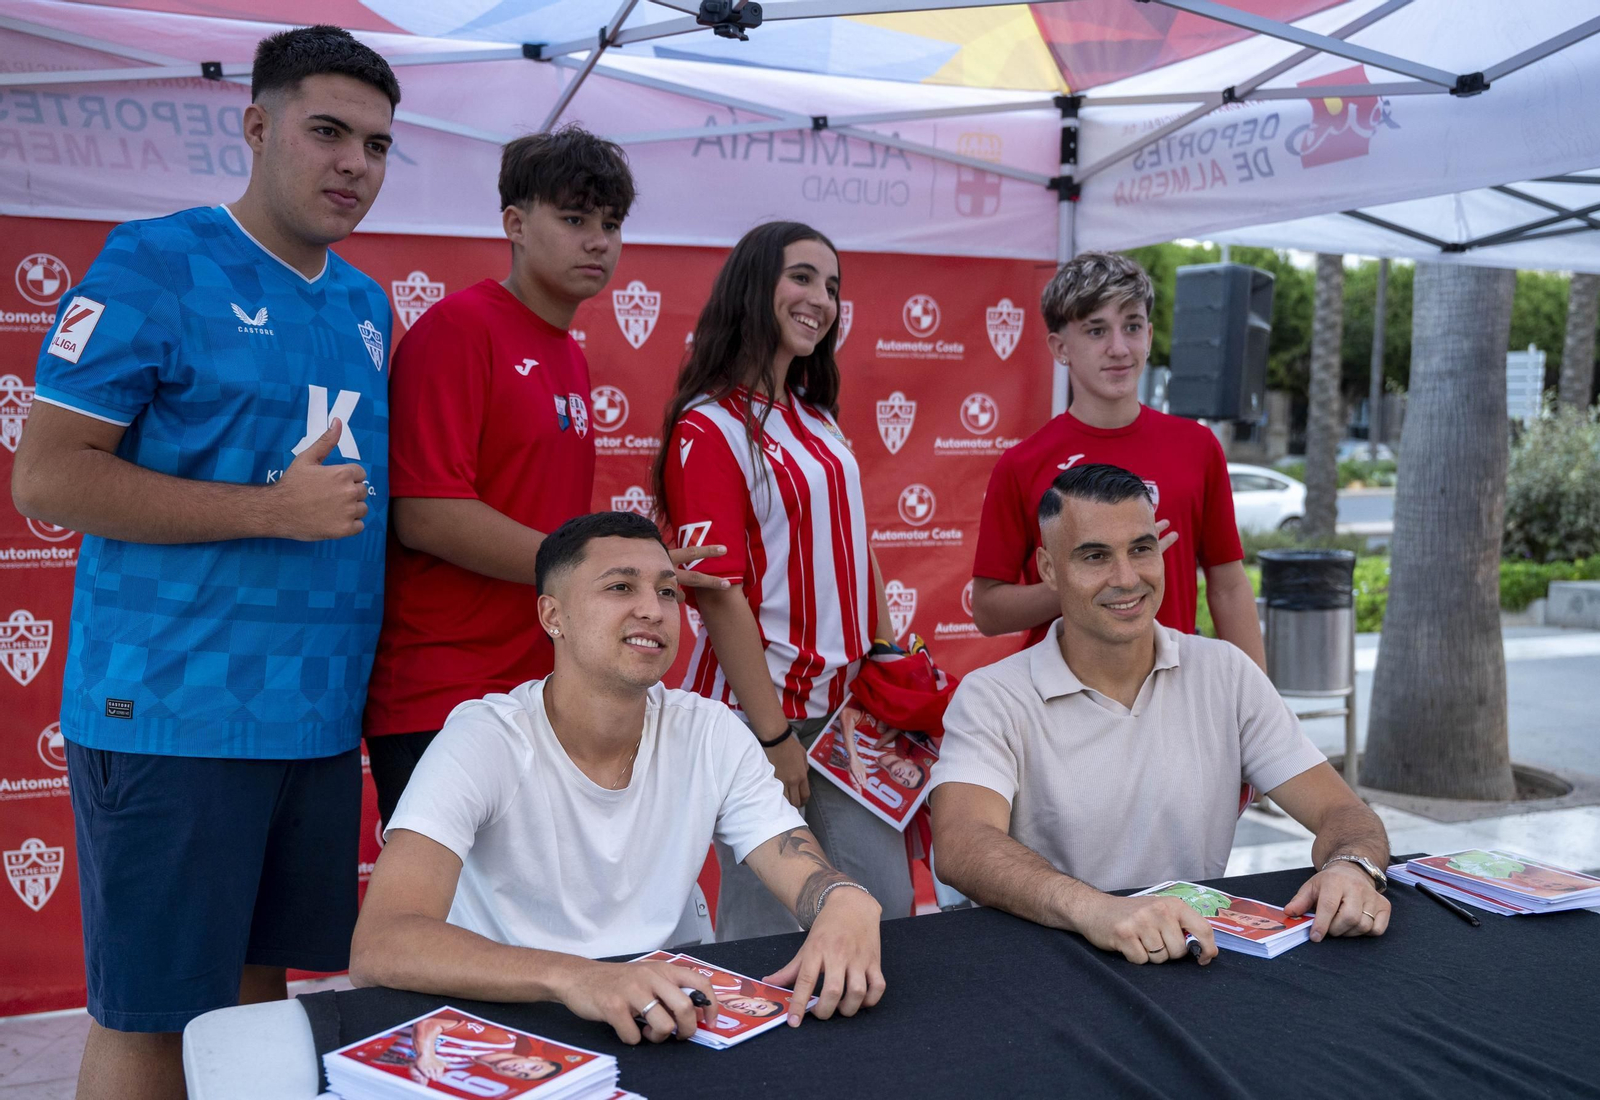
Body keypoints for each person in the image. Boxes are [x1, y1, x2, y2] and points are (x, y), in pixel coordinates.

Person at [9, 26, 399, 1100]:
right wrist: (271, 510)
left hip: (314, 723)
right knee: (150, 1017)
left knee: (255, 1014)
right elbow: (46, 477)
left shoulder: (368, 304)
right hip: (174, 714)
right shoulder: (155, 261)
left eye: (375, 145)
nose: (354, 164)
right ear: (258, 126)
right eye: (328, 132)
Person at [350, 513, 885, 1043]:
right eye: (620, 587)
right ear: (552, 615)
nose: (653, 609)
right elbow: (381, 944)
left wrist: (843, 899)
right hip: (518, 1027)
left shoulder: (709, 731)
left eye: (668, 591)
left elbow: (797, 867)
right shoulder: (484, 739)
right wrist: (580, 977)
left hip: (676, 1018)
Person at [362, 125, 727, 824]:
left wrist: (625, 571)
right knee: (451, 900)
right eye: (574, 219)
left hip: (542, 687)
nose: (598, 242)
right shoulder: (459, 328)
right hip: (446, 693)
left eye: (611, 225)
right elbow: (427, 512)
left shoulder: (568, 353)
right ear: (515, 224)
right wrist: (599, 571)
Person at [930, 464, 1392, 966]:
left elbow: (1343, 812)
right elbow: (961, 842)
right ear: (1048, 569)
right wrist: (1096, 910)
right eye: (1095, 556)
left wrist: (1352, 868)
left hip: (1193, 960)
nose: (1127, 578)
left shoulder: (1225, 672)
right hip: (1045, 970)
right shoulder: (992, 696)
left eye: (1141, 549)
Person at [652, 221, 908, 939]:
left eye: (832, 286)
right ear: (754, 285)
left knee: (886, 912)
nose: (820, 299)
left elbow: (856, 545)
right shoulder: (707, 426)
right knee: (770, 934)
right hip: (759, 717)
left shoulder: (815, 416)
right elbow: (718, 593)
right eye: (801, 277)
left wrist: (887, 658)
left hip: (846, 713)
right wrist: (771, 738)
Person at [968, 251, 1265, 671]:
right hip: (1062, 696)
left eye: (1132, 326)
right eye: (1096, 330)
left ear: (1149, 335)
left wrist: (1261, 699)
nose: (1119, 348)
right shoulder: (1022, 464)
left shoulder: (1197, 447)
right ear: (1060, 347)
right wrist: (1092, 577)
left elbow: (1228, 587)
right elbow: (988, 611)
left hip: (1173, 689)